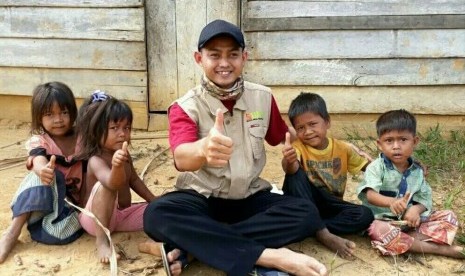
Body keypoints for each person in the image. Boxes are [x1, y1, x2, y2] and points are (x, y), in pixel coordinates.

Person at [143, 19, 328, 276]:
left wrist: (328, 140)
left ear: (244, 58)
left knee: (305, 212)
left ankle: (195, 247)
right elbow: (181, 157)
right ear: (199, 59)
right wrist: (203, 149)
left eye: (232, 54)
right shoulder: (185, 106)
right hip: (203, 199)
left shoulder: (262, 97)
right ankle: (268, 256)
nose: (224, 63)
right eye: (214, 55)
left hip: (249, 198)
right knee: (157, 215)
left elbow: (280, 136)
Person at [356, 109, 464, 258]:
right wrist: (391, 202)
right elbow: (370, 195)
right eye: (389, 141)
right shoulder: (376, 167)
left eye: (403, 140)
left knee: (448, 216)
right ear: (380, 144)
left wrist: (416, 210)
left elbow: (424, 199)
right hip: (383, 222)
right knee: (378, 230)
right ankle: (440, 249)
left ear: (415, 141)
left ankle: (409, 241)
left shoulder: (417, 171)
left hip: (410, 224)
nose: (396, 146)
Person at [281, 92, 374, 259]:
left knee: (365, 215)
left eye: (312, 124)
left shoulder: (342, 148)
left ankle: (314, 228)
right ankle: (324, 234)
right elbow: (290, 170)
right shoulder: (298, 148)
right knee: (295, 175)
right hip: (304, 201)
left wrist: (408, 163)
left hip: (330, 204)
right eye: (300, 128)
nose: (308, 131)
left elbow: (373, 168)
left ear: (327, 122)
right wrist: (289, 160)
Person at [0, 82, 84, 263]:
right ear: (39, 118)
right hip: (42, 201)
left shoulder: (83, 139)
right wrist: (42, 169)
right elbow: (38, 159)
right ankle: (11, 233)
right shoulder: (40, 141)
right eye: (49, 114)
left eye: (64, 112)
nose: (58, 119)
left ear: (72, 113)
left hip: (69, 207)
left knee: (62, 232)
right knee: (40, 177)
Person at [76, 91, 157, 263]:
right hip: (94, 222)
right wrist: (117, 166)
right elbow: (111, 183)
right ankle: (102, 241)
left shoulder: (124, 155)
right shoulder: (95, 160)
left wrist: (153, 200)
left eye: (127, 128)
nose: (122, 133)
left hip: (121, 216)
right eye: (114, 128)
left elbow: (134, 180)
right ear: (97, 132)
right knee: (104, 186)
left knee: (159, 211)